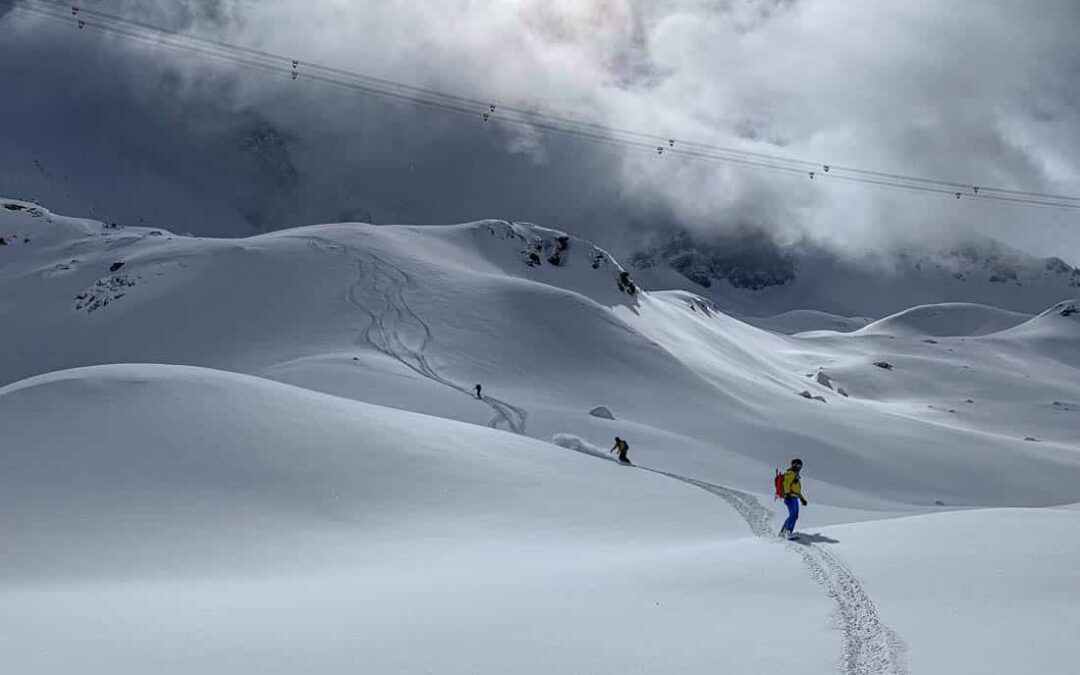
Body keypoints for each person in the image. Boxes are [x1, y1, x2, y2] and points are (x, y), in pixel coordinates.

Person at [779, 458, 808, 539]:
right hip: (790, 497)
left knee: (794, 516)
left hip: (793, 497)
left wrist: (802, 499)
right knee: (793, 515)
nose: (799, 467)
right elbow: (786, 483)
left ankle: (783, 532)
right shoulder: (791, 473)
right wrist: (787, 493)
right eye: (798, 465)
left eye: (800, 465)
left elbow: (796, 490)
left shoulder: (795, 475)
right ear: (794, 465)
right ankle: (787, 532)